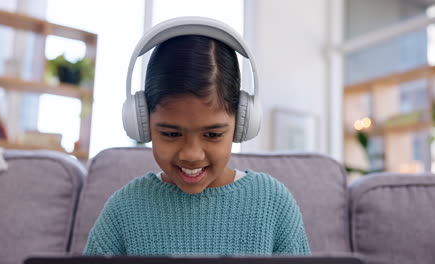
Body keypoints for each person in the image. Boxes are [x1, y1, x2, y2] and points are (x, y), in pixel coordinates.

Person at [83, 17, 310, 256]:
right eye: (171, 133)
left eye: (212, 134)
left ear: (242, 122)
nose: (191, 154)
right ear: (142, 123)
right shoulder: (124, 209)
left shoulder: (273, 202)